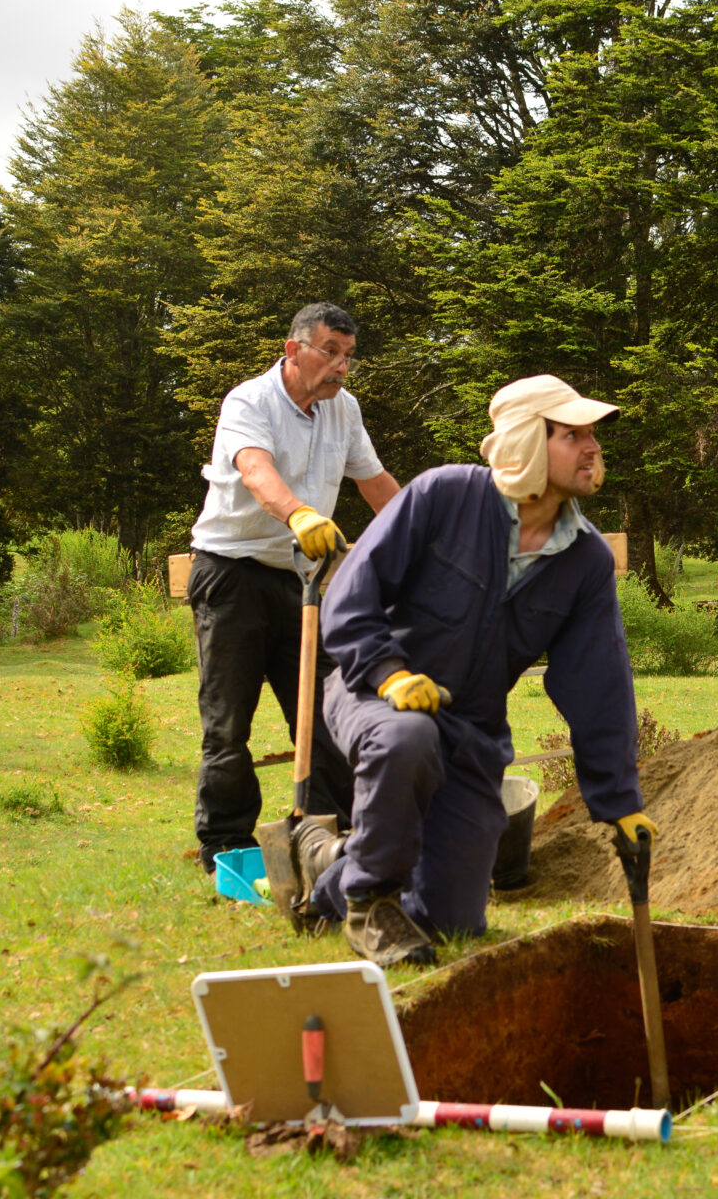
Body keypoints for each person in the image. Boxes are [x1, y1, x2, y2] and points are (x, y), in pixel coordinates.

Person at [262, 375, 654, 966]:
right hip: (370, 691)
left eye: (592, 435)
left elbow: (598, 684)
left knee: (451, 922)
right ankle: (367, 901)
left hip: (471, 729)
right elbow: (349, 593)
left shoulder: (585, 559)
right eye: (573, 434)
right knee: (406, 736)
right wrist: (389, 672)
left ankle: (323, 865)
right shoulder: (443, 496)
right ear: (525, 440)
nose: (593, 448)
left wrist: (619, 799)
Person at [185, 302, 400, 872]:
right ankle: (227, 845)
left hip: (299, 580)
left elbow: (374, 482)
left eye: (348, 356)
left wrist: (421, 534)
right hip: (229, 574)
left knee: (327, 706)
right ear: (293, 350)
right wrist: (300, 515)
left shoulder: (343, 411)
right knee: (229, 721)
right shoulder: (249, 401)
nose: (341, 367)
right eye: (330, 352)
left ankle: (334, 831)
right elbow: (256, 471)